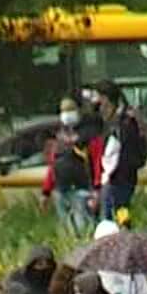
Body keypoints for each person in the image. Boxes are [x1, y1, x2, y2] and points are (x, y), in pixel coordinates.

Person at [45, 97, 101, 235]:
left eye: (70, 110)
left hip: (81, 190)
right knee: (66, 231)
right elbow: (53, 165)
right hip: (61, 191)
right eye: (64, 111)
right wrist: (46, 191)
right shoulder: (59, 137)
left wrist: (97, 189)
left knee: (83, 229)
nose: (67, 114)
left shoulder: (89, 134)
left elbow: (97, 162)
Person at [91, 79, 147, 218]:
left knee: (114, 218)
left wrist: (113, 174)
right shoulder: (110, 121)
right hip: (112, 178)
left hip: (119, 179)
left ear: (105, 98)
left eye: (97, 97)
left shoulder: (124, 122)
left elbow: (121, 152)